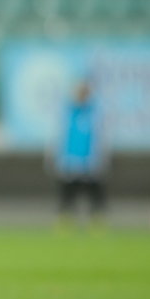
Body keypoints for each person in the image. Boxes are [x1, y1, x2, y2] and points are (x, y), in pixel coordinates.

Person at [52, 81, 107, 228]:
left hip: (89, 161)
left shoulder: (94, 113)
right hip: (70, 160)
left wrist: (99, 159)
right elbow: (60, 137)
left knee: (94, 191)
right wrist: (59, 159)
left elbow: (100, 138)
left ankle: (96, 220)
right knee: (68, 192)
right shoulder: (68, 112)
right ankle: (65, 219)